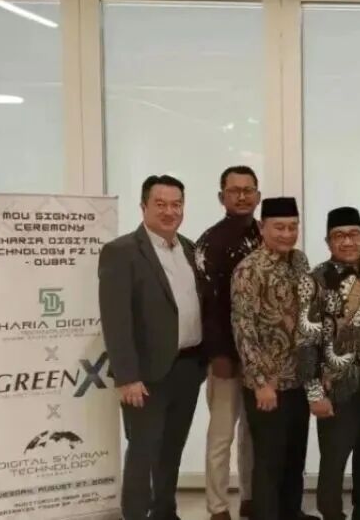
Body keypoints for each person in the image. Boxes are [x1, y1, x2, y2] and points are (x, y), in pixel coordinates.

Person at [99, 174, 206, 520]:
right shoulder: (122, 252)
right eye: (160, 204)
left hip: (188, 367)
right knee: (143, 451)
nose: (169, 211)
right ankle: (134, 514)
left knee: (172, 449)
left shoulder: (190, 248)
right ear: (143, 206)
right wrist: (127, 377)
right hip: (145, 374)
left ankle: (165, 512)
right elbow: (115, 319)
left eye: (176, 204)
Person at [297, 206, 360, 520]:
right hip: (336, 385)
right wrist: (314, 392)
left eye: (354, 234)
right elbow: (306, 339)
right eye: (339, 236)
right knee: (335, 457)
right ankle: (331, 512)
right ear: (328, 242)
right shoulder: (316, 279)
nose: (348, 241)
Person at [231, 197, 315, 520]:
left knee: (295, 456)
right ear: (262, 227)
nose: (287, 234)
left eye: (293, 227)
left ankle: (291, 512)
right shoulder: (248, 269)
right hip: (267, 384)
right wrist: (261, 382)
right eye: (279, 227)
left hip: (298, 378)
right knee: (269, 460)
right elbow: (243, 329)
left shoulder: (300, 261)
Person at [195, 166, 262, 520]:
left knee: (252, 433)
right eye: (234, 190)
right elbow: (206, 303)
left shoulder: (266, 234)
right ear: (222, 197)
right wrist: (218, 352)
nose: (242, 196)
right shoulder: (211, 242)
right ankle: (218, 506)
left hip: (260, 358)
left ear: (258, 196)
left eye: (248, 190)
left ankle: (250, 496)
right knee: (222, 435)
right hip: (225, 355)